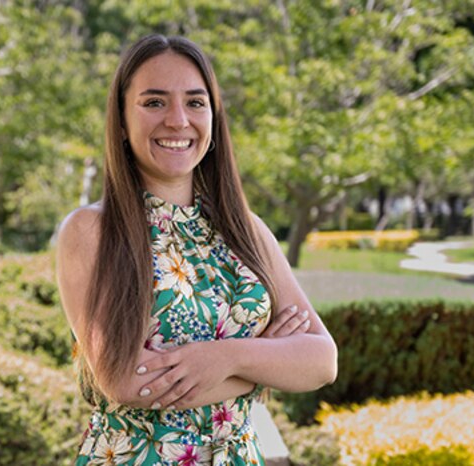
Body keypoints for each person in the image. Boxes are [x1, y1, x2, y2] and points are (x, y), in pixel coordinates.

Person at [56, 34, 337, 465]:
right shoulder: (91, 230)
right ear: (121, 120)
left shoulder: (247, 230)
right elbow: (125, 380)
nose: (177, 120)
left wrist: (228, 356)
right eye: (153, 102)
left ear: (213, 116)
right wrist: (265, 367)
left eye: (195, 102)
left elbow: (321, 359)